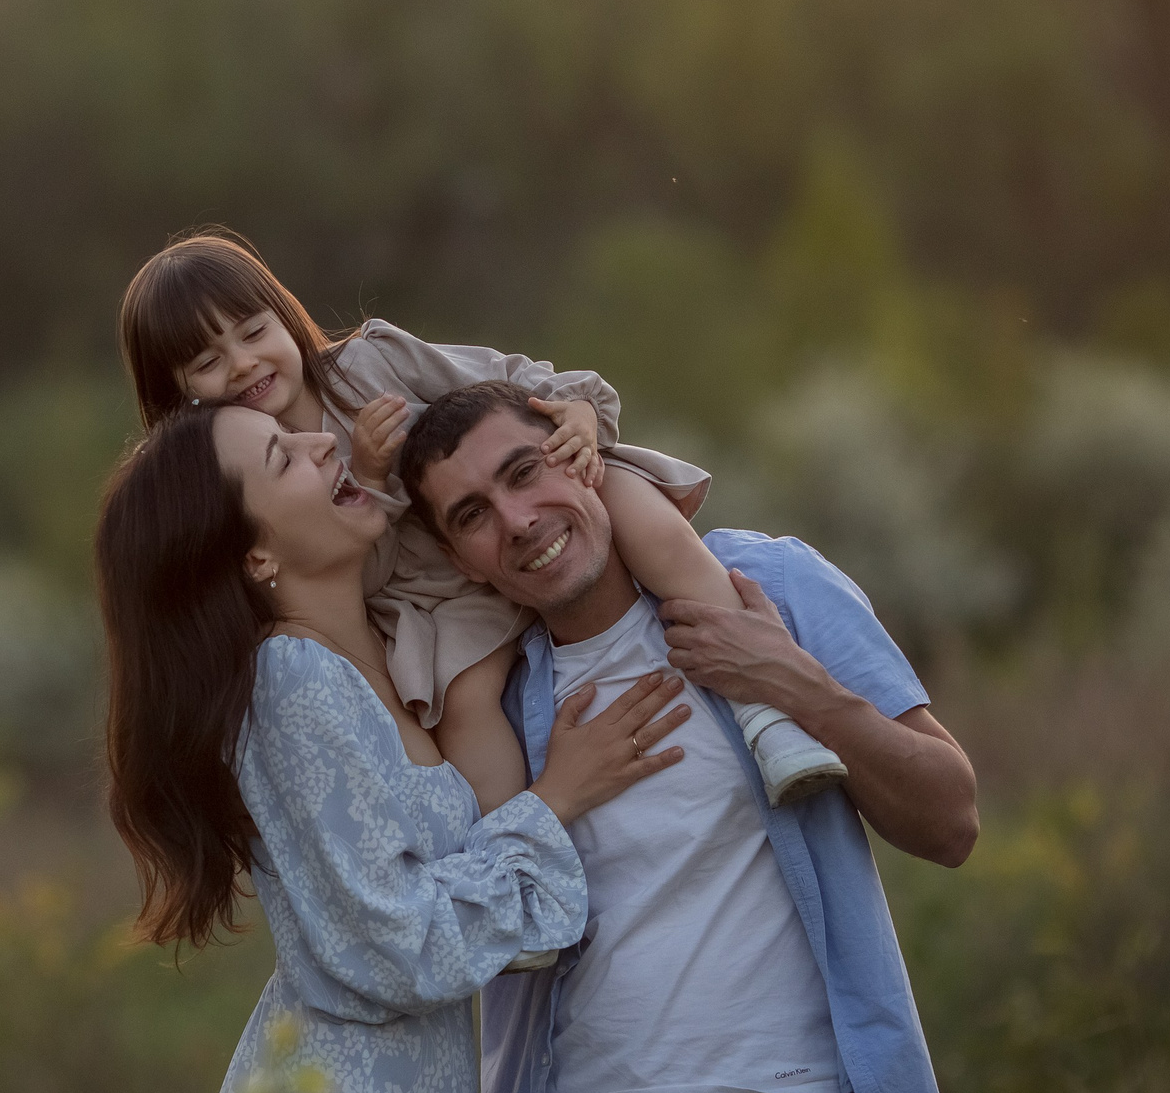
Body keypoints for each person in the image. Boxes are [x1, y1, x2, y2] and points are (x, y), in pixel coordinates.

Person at [93, 402, 693, 1093]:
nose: (324, 440)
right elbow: (395, 943)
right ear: (255, 555)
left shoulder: (381, 660)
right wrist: (557, 799)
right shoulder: (292, 682)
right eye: (283, 456)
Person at [398, 380, 981, 1093]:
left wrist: (799, 688)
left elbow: (950, 819)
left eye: (524, 471)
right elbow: (452, 921)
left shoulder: (771, 585)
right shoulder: (484, 699)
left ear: (580, 457)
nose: (518, 519)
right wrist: (556, 796)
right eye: (473, 514)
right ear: (459, 557)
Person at [118, 228, 848, 814]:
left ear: (283, 313)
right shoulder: (236, 495)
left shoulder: (369, 364)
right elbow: (348, 574)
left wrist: (576, 411)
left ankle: (766, 717)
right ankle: (520, 860)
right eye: (208, 363)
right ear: (181, 399)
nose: (244, 364)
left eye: (251, 330)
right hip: (429, 602)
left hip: (515, 517)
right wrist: (368, 478)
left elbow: (504, 385)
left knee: (631, 503)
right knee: (466, 704)